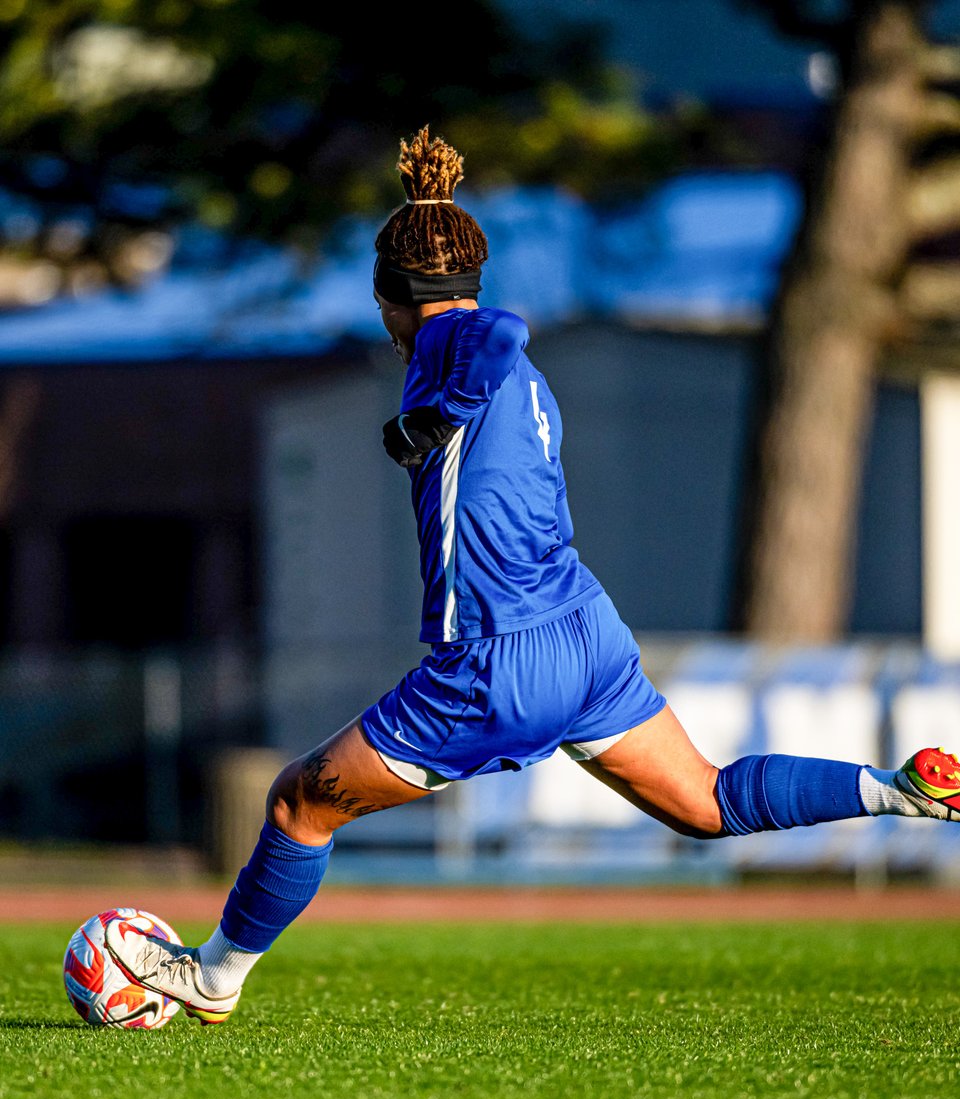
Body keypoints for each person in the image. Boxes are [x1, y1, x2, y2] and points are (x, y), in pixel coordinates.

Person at [106, 127, 960, 1024]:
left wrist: (433, 419)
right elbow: (500, 336)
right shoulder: (520, 378)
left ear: (390, 297)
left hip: (497, 657)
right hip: (585, 635)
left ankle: (211, 978)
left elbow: (498, 330)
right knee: (704, 803)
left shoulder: (451, 344)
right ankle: (894, 789)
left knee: (297, 807)